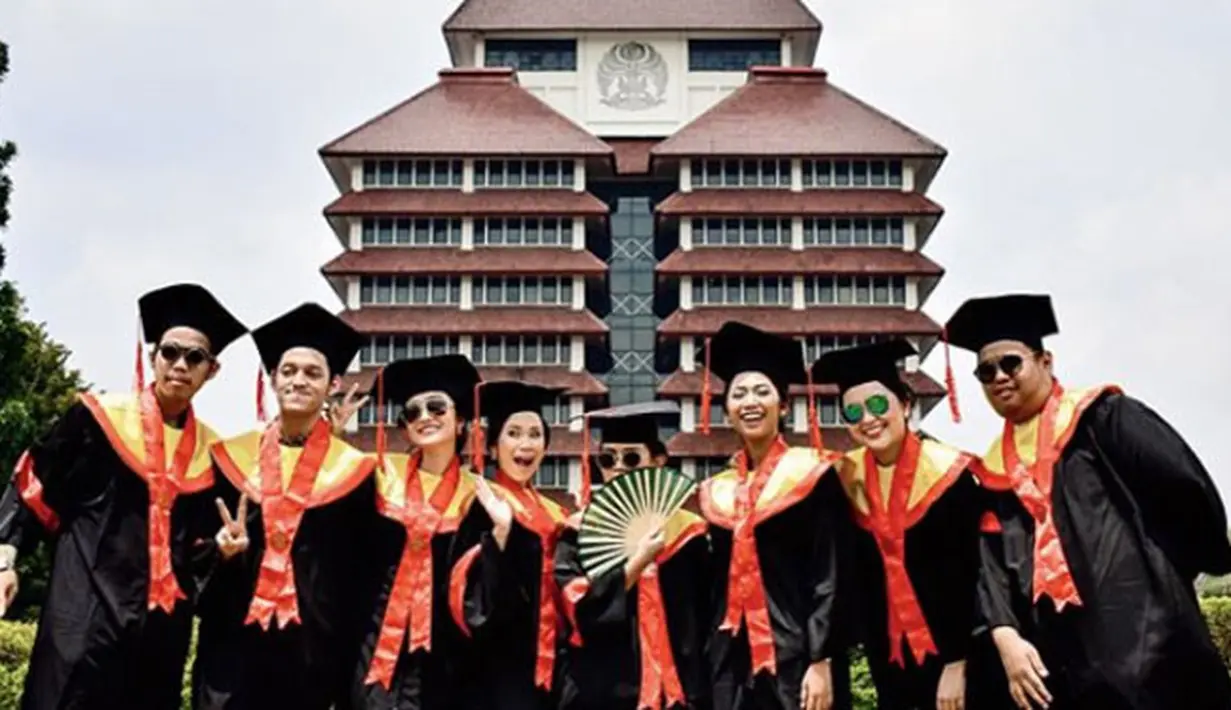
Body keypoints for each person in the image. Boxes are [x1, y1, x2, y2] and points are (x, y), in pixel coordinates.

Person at [944, 293, 1231, 710]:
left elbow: (1184, 487)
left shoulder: (1103, 418)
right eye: (986, 372)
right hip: (1062, 656)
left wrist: (1163, 575)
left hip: (1148, 634)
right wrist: (1004, 631)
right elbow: (991, 567)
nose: (999, 377)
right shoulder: (992, 472)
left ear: (1045, 361)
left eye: (1011, 362)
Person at [0, 283, 247, 709]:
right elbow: (32, 486)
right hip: (81, 621)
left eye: (195, 357)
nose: (180, 365)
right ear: (153, 357)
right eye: (170, 352)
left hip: (159, 641)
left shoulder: (214, 457)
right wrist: (6, 558)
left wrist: (224, 553)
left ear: (212, 370)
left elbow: (198, 559)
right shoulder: (97, 421)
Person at [192, 302, 379, 710]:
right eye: (288, 371)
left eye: (313, 373)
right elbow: (191, 549)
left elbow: (363, 575)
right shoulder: (228, 458)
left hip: (313, 658)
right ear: (272, 379)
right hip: (231, 652)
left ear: (332, 385)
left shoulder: (356, 473)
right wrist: (222, 553)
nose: (299, 381)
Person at [812, 340, 994, 710]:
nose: (868, 419)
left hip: (963, 660)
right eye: (853, 412)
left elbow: (975, 572)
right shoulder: (846, 481)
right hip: (890, 661)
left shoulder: (951, 475)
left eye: (878, 405)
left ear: (906, 405)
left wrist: (958, 660)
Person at [696, 321, 852, 710]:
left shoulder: (813, 474)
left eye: (762, 392)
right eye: (739, 394)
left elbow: (830, 572)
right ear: (727, 410)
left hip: (799, 654)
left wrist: (822, 658)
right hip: (729, 658)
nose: (750, 402)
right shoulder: (716, 492)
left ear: (782, 406)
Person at [554, 400, 713, 710]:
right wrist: (638, 562)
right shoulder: (578, 532)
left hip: (680, 692)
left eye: (631, 458)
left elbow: (706, 619)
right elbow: (577, 610)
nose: (618, 468)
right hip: (603, 691)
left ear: (658, 461)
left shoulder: (689, 533)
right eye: (607, 458)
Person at [352, 354, 483, 709]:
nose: (425, 417)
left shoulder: (481, 497)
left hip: (445, 651)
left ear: (461, 423)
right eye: (413, 411)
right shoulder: (377, 477)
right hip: (375, 639)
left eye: (437, 407)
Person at [448, 380, 569, 710]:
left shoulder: (556, 512)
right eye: (513, 433)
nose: (525, 444)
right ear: (491, 448)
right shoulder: (480, 501)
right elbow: (467, 590)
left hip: (552, 655)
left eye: (534, 434)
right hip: (498, 659)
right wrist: (501, 534)